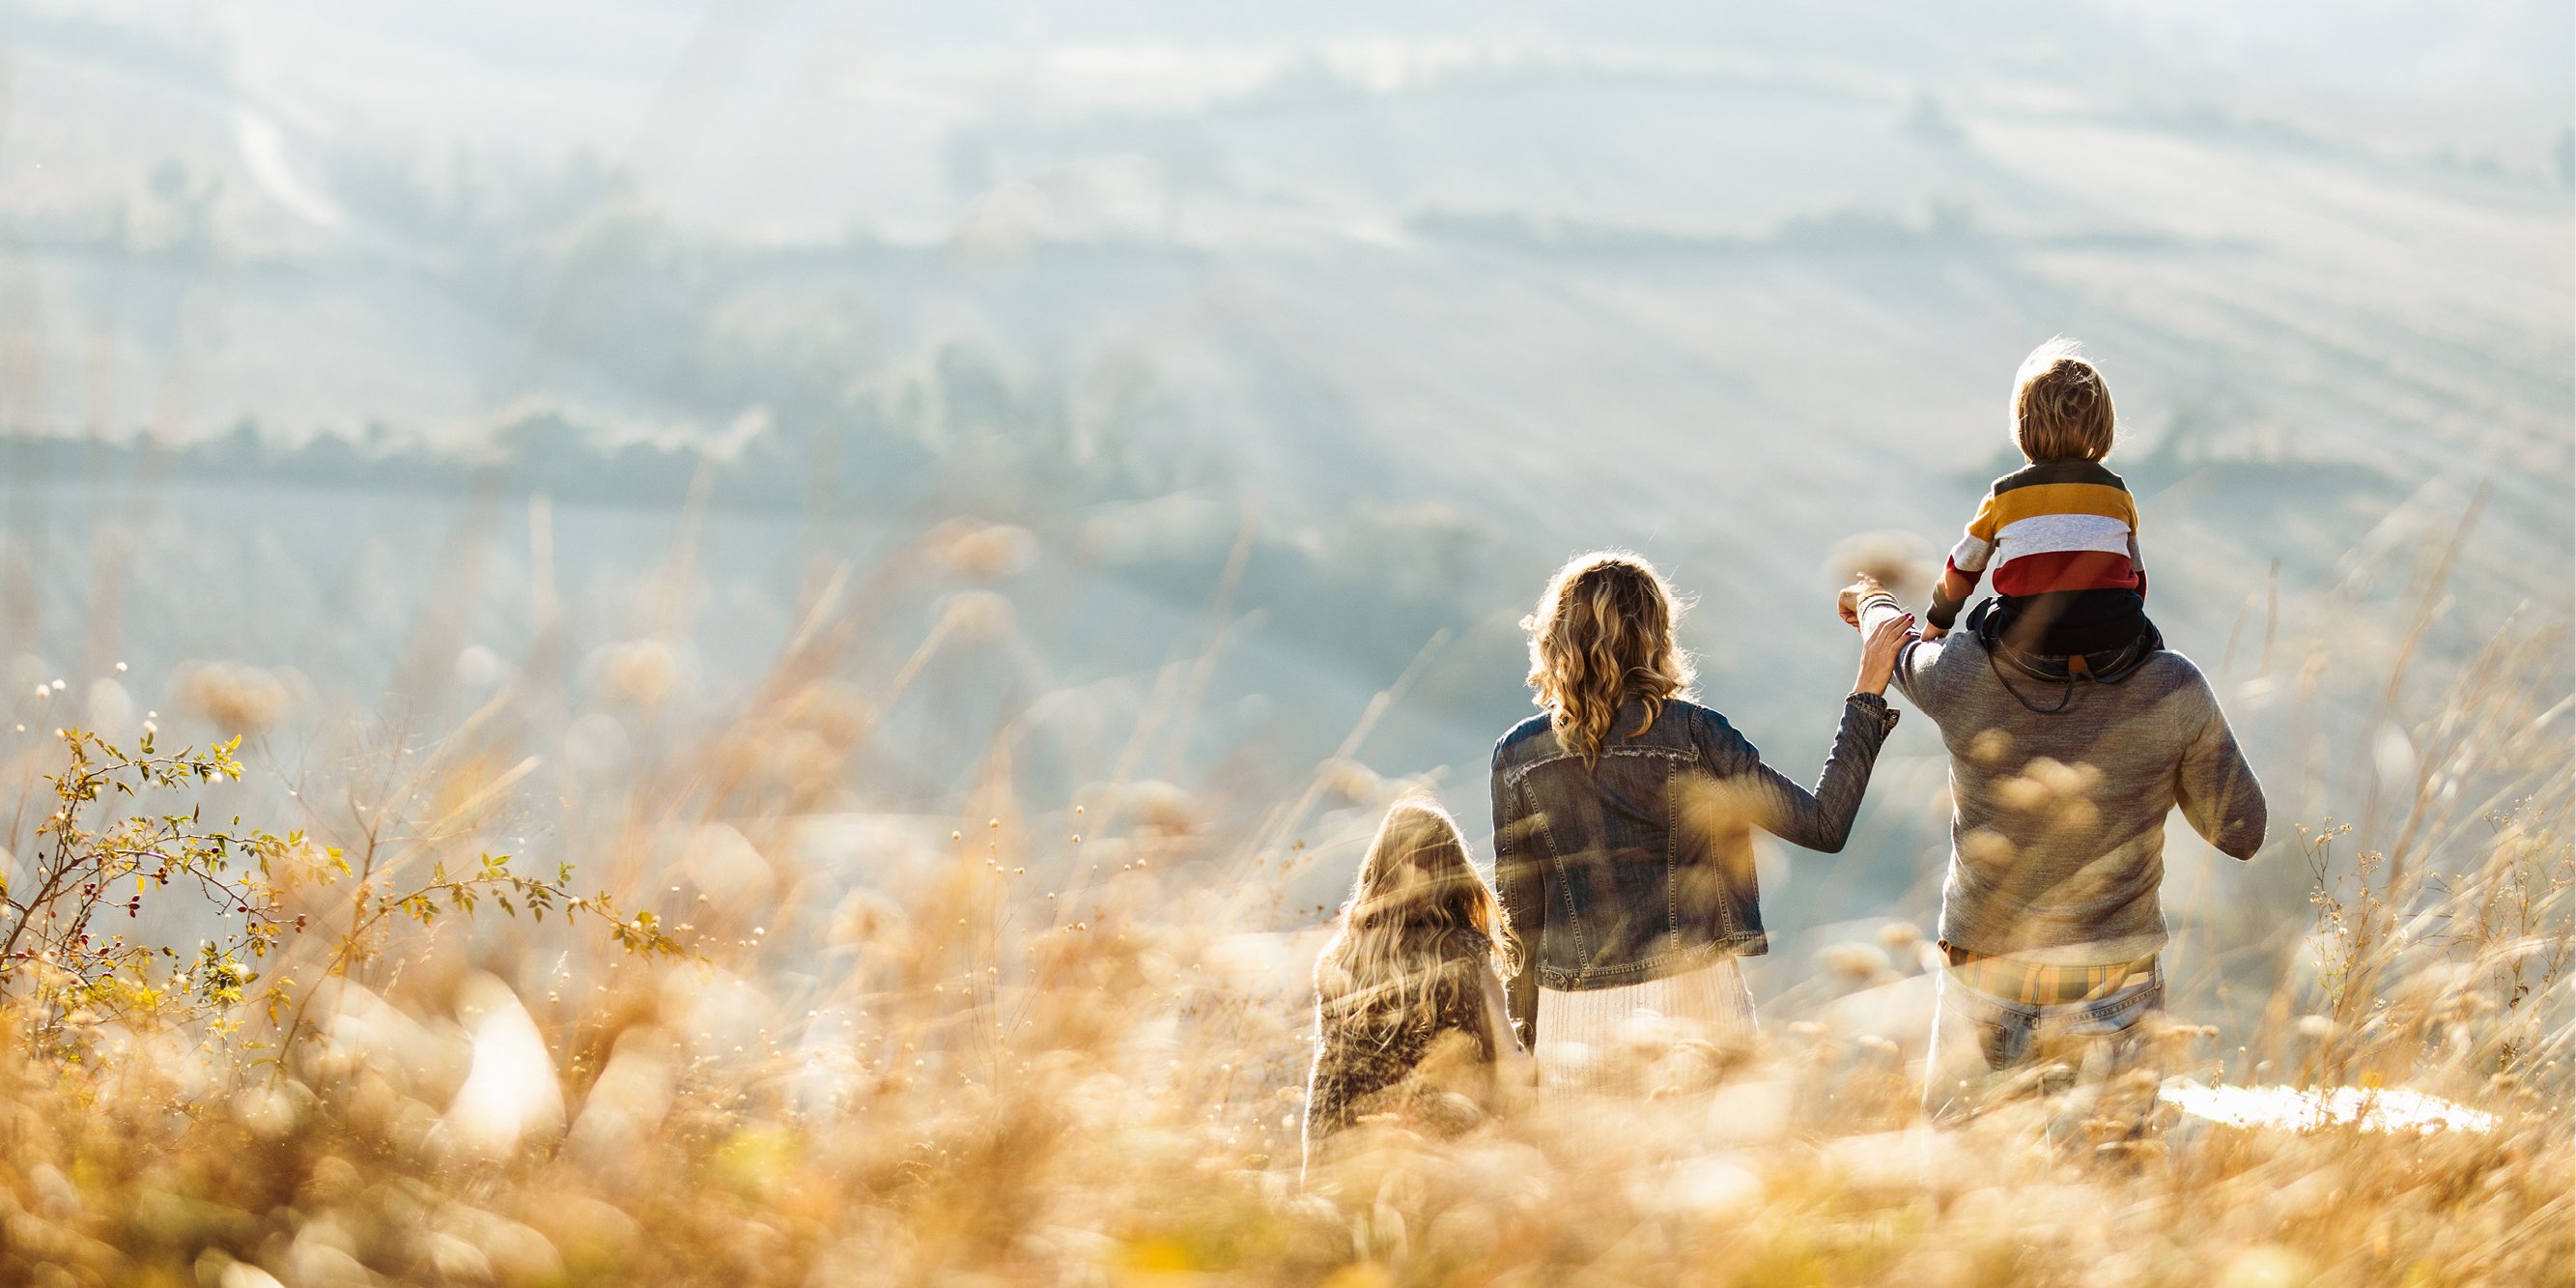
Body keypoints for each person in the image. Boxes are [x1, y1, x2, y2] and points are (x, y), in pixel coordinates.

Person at [1839, 572, 2264, 1121]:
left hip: (1984, 976)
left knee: (1963, 1195)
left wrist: (1869, 596)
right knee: (2110, 1188)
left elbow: (1892, 642)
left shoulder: (1961, 669)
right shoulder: (2170, 685)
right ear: (2133, 582)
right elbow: (2242, 833)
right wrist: (2161, 753)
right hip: (2114, 985)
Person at [1492, 551, 1911, 1094]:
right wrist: (1868, 691)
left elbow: (1519, 918)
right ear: (1656, 637)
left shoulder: (1518, 756)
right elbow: (1823, 825)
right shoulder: (1696, 734)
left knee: (1596, 1179)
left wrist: (1527, 1040)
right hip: (1696, 1000)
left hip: (1572, 1021)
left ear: (1555, 638)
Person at [1304, 797, 1523, 1172]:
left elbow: (1323, 1076)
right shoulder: (1468, 952)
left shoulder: (1337, 957)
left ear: (1378, 869)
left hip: (1342, 1151)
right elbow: (1511, 1065)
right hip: (1436, 1148)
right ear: (1454, 871)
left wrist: (1314, 1170)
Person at [1922, 338, 2157, 681]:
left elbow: (1962, 568)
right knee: (2152, 641)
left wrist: (1936, 624)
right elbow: (2136, 579)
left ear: (2023, 425)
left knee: (1981, 620)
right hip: (2112, 650)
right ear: (2103, 426)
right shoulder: (2116, 492)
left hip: (2028, 651)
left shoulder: (2004, 495)